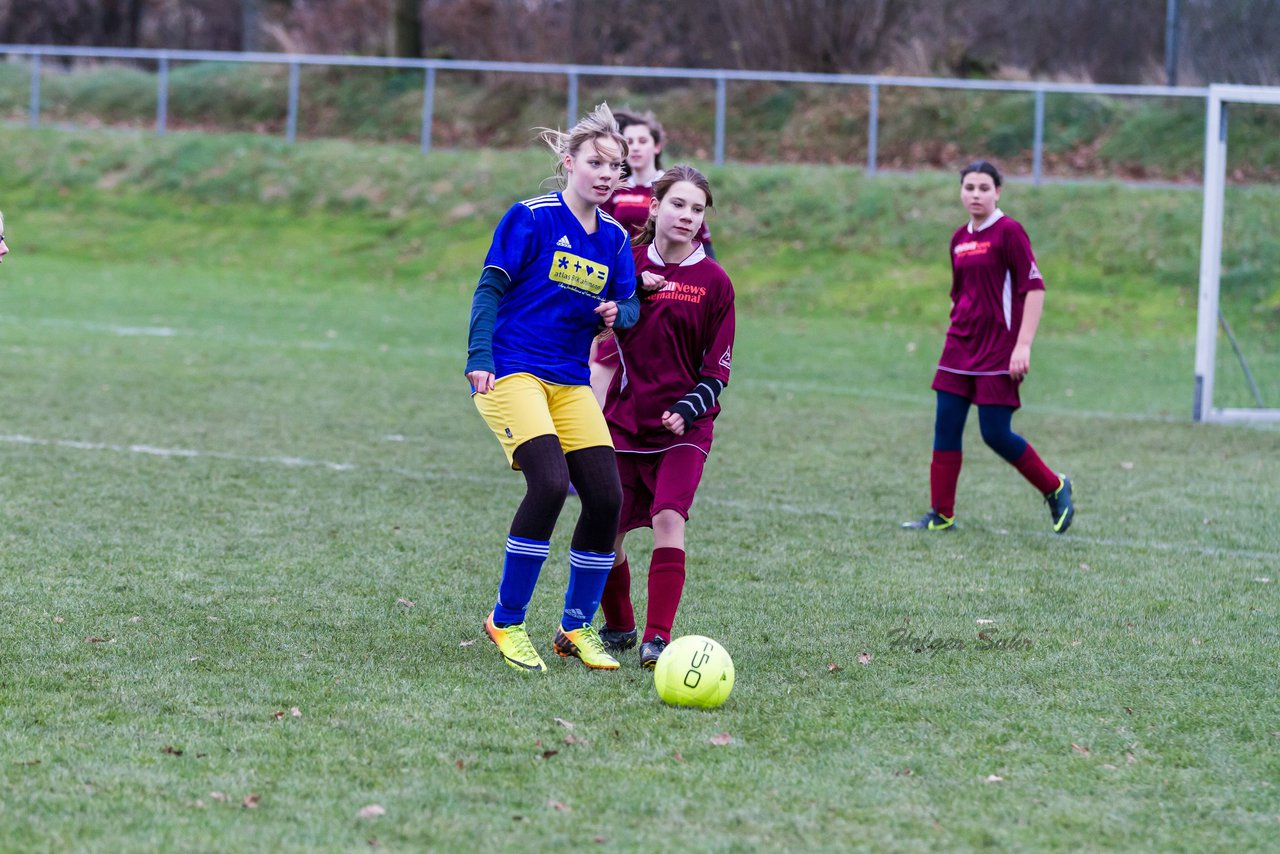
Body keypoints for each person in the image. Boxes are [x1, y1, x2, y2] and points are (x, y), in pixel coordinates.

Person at [466, 103, 640, 673]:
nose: (606, 174)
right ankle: (507, 620)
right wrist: (478, 356)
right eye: (595, 162)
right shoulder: (531, 217)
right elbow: (489, 289)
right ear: (569, 162)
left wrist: (622, 311)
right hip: (512, 370)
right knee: (548, 483)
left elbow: (631, 305)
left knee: (607, 498)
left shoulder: (614, 239)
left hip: (569, 380)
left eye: (615, 167)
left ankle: (575, 627)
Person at [595, 165, 736, 669]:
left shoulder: (715, 282)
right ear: (654, 208)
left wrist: (686, 408)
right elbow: (593, 325)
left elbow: (717, 372)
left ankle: (658, 637)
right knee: (605, 529)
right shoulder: (626, 265)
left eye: (697, 209)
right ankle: (619, 624)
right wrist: (616, 304)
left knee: (667, 518)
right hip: (624, 423)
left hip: (685, 427)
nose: (687, 216)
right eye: (678, 204)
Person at [902, 160, 1074, 534]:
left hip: (999, 350)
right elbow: (959, 294)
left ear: (998, 191)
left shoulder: (1010, 232)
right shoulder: (958, 239)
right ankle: (941, 514)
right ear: (961, 191)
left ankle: (1055, 486)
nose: (975, 194)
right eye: (969, 187)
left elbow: (1034, 289)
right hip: (959, 348)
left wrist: (1022, 346)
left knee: (995, 433)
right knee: (945, 426)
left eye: (983, 187)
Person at [590, 110, 714, 409]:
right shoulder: (616, 189)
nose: (635, 146)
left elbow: (703, 245)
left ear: (656, 146)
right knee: (603, 363)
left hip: (664, 289)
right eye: (628, 141)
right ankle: (592, 437)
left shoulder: (674, 189)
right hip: (626, 286)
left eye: (642, 140)